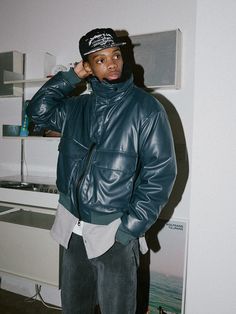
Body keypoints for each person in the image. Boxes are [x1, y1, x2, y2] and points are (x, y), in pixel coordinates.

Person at [26, 28, 177, 314]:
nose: (111, 64)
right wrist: (72, 76)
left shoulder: (146, 109)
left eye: (116, 55)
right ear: (88, 67)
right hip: (72, 229)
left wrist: (128, 229)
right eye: (100, 59)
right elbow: (37, 112)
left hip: (114, 233)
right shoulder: (77, 108)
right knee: (75, 307)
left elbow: (160, 174)